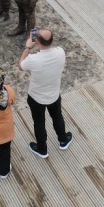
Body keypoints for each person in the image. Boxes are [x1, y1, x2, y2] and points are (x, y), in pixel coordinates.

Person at [18, 28, 73, 159]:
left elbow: (21, 66)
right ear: (52, 41)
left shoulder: (33, 59)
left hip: (36, 97)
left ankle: (42, 149)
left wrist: (27, 47)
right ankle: (63, 140)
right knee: (57, 116)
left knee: (39, 122)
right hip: (53, 94)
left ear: (36, 41)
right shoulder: (60, 52)